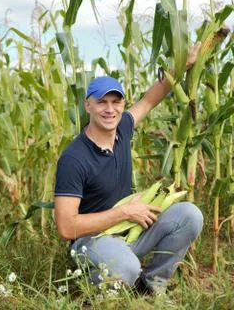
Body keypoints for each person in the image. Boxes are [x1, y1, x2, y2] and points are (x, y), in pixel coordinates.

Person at [54, 43, 203, 294]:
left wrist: (181, 65)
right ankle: (84, 287)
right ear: (87, 105)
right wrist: (124, 212)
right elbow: (66, 227)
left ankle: (151, 285)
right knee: (127, 268)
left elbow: (149, 100)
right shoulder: (74, 158)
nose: (110, 109)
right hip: (92, 240)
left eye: (116, 101)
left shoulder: (122, 127)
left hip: (130, 231)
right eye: (101, 102)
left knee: (190, 216)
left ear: (122, 104)